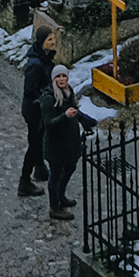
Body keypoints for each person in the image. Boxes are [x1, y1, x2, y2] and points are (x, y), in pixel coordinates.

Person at [42, 67, 87, 222]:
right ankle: (54, 207)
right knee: (54, 175)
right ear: (53, 79)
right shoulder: (48, 98)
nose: (61, 79)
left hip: (70, 142)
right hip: (56, 145)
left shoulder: (69, 92)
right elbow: (49, 123)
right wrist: (64, 116)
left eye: (64, 76)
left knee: (70, 168)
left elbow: (75, 110)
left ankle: (61, 196)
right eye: (58, 77)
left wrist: (84, 120)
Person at [17, 28, 59, 198]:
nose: (53, 42)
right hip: (35, 111)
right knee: (34, 145)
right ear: (42, 42)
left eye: (53, 38)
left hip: (37, 110)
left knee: (38, 139)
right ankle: (24, 181)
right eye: (50, 39)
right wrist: (44, 99)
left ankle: (40, 168)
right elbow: (30, 91)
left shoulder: (43, 58)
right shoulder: (36, 65)